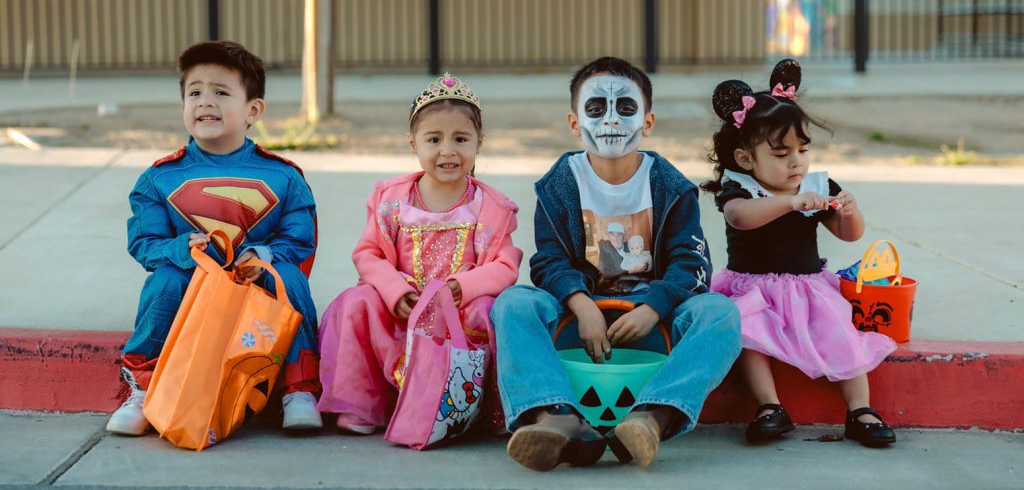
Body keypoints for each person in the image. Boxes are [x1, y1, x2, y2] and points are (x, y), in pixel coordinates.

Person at [491, 56, 742, 471]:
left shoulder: (671, 187)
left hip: (649, 324)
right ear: (574, 123)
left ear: (647, 121)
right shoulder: (559, 184)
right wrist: (581, 304)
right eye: (595, 108)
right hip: (581, 324)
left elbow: (692, 265)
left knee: (721, 314)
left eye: (625, 108)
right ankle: (553, 417)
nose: (610, 119)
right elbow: (548, 261)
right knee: (513, 304)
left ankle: (651, 419)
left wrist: (654, 307)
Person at [107, 41, 323, 436]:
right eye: (195, 92)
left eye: (221, 92)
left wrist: (263, 256)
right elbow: (145, 243)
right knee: (164, 280)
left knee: (290, 278)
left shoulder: (285, 177)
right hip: (192, 288)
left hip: (256, 292)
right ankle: (144, 388)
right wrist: (181, 248)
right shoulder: (158, 179)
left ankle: (299, 389)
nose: (205, 101)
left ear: (253, 110)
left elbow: (300, 239)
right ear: (183, 106)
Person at [317, 73, 523, 442]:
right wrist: (394, 290)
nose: (448, 150)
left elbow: (505, 265)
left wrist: (465, 286)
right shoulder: (393, 200)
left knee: (489, 311)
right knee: (356, 302)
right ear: (413, 143)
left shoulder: (490, 207)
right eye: (434, 139)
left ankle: (476, 404)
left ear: (479, 143)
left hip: (457, 315)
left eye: (461, 139)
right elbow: (368, 253)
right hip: (404, 311)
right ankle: (363, 402)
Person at [704, 59, 897, 448]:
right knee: (745, 333)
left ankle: (860, 409)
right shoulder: (740, 187)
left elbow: (848, 234)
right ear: (746, 159)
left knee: (841, 330)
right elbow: (740, 218)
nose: (796, 161)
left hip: (808, 288)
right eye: (780, 153)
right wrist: (790, 203)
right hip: (751, 289)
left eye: (802, 149)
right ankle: (769, 406)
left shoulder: (815, 184)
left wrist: (849, 212)